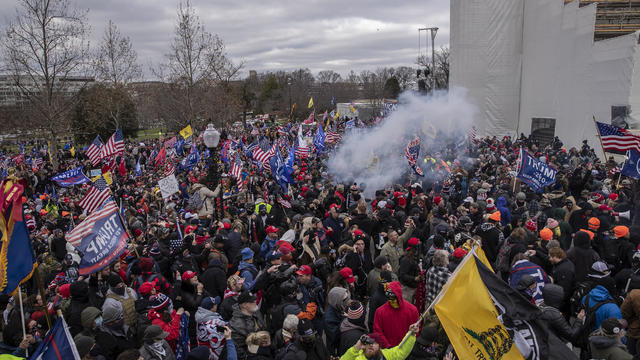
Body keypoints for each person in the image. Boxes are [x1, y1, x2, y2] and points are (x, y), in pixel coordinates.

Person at [373, 281, 419, 347]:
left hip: (406, 349)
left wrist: (407, 345)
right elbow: (377, 332)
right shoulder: (380, 312)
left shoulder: (412, 310)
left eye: (393, 299)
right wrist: (387, 346)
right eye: (389, 299)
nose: (391, 302)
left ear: (399, 296)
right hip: (388, 352)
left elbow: (416, 331)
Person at [340, 324, 419, 360]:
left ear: (380, 346)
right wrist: (356, 348)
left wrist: (411, 334)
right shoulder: (357, 358)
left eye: (374, 343)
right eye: (368, 342)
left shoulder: (387, 355)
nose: (371, 345)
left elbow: (401, 351)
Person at [229, 291, 267, 359]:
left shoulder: (256, 312)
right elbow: (239, 350)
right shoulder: (235, 325)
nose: (255, 302)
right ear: (244, 305)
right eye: (252, 301)